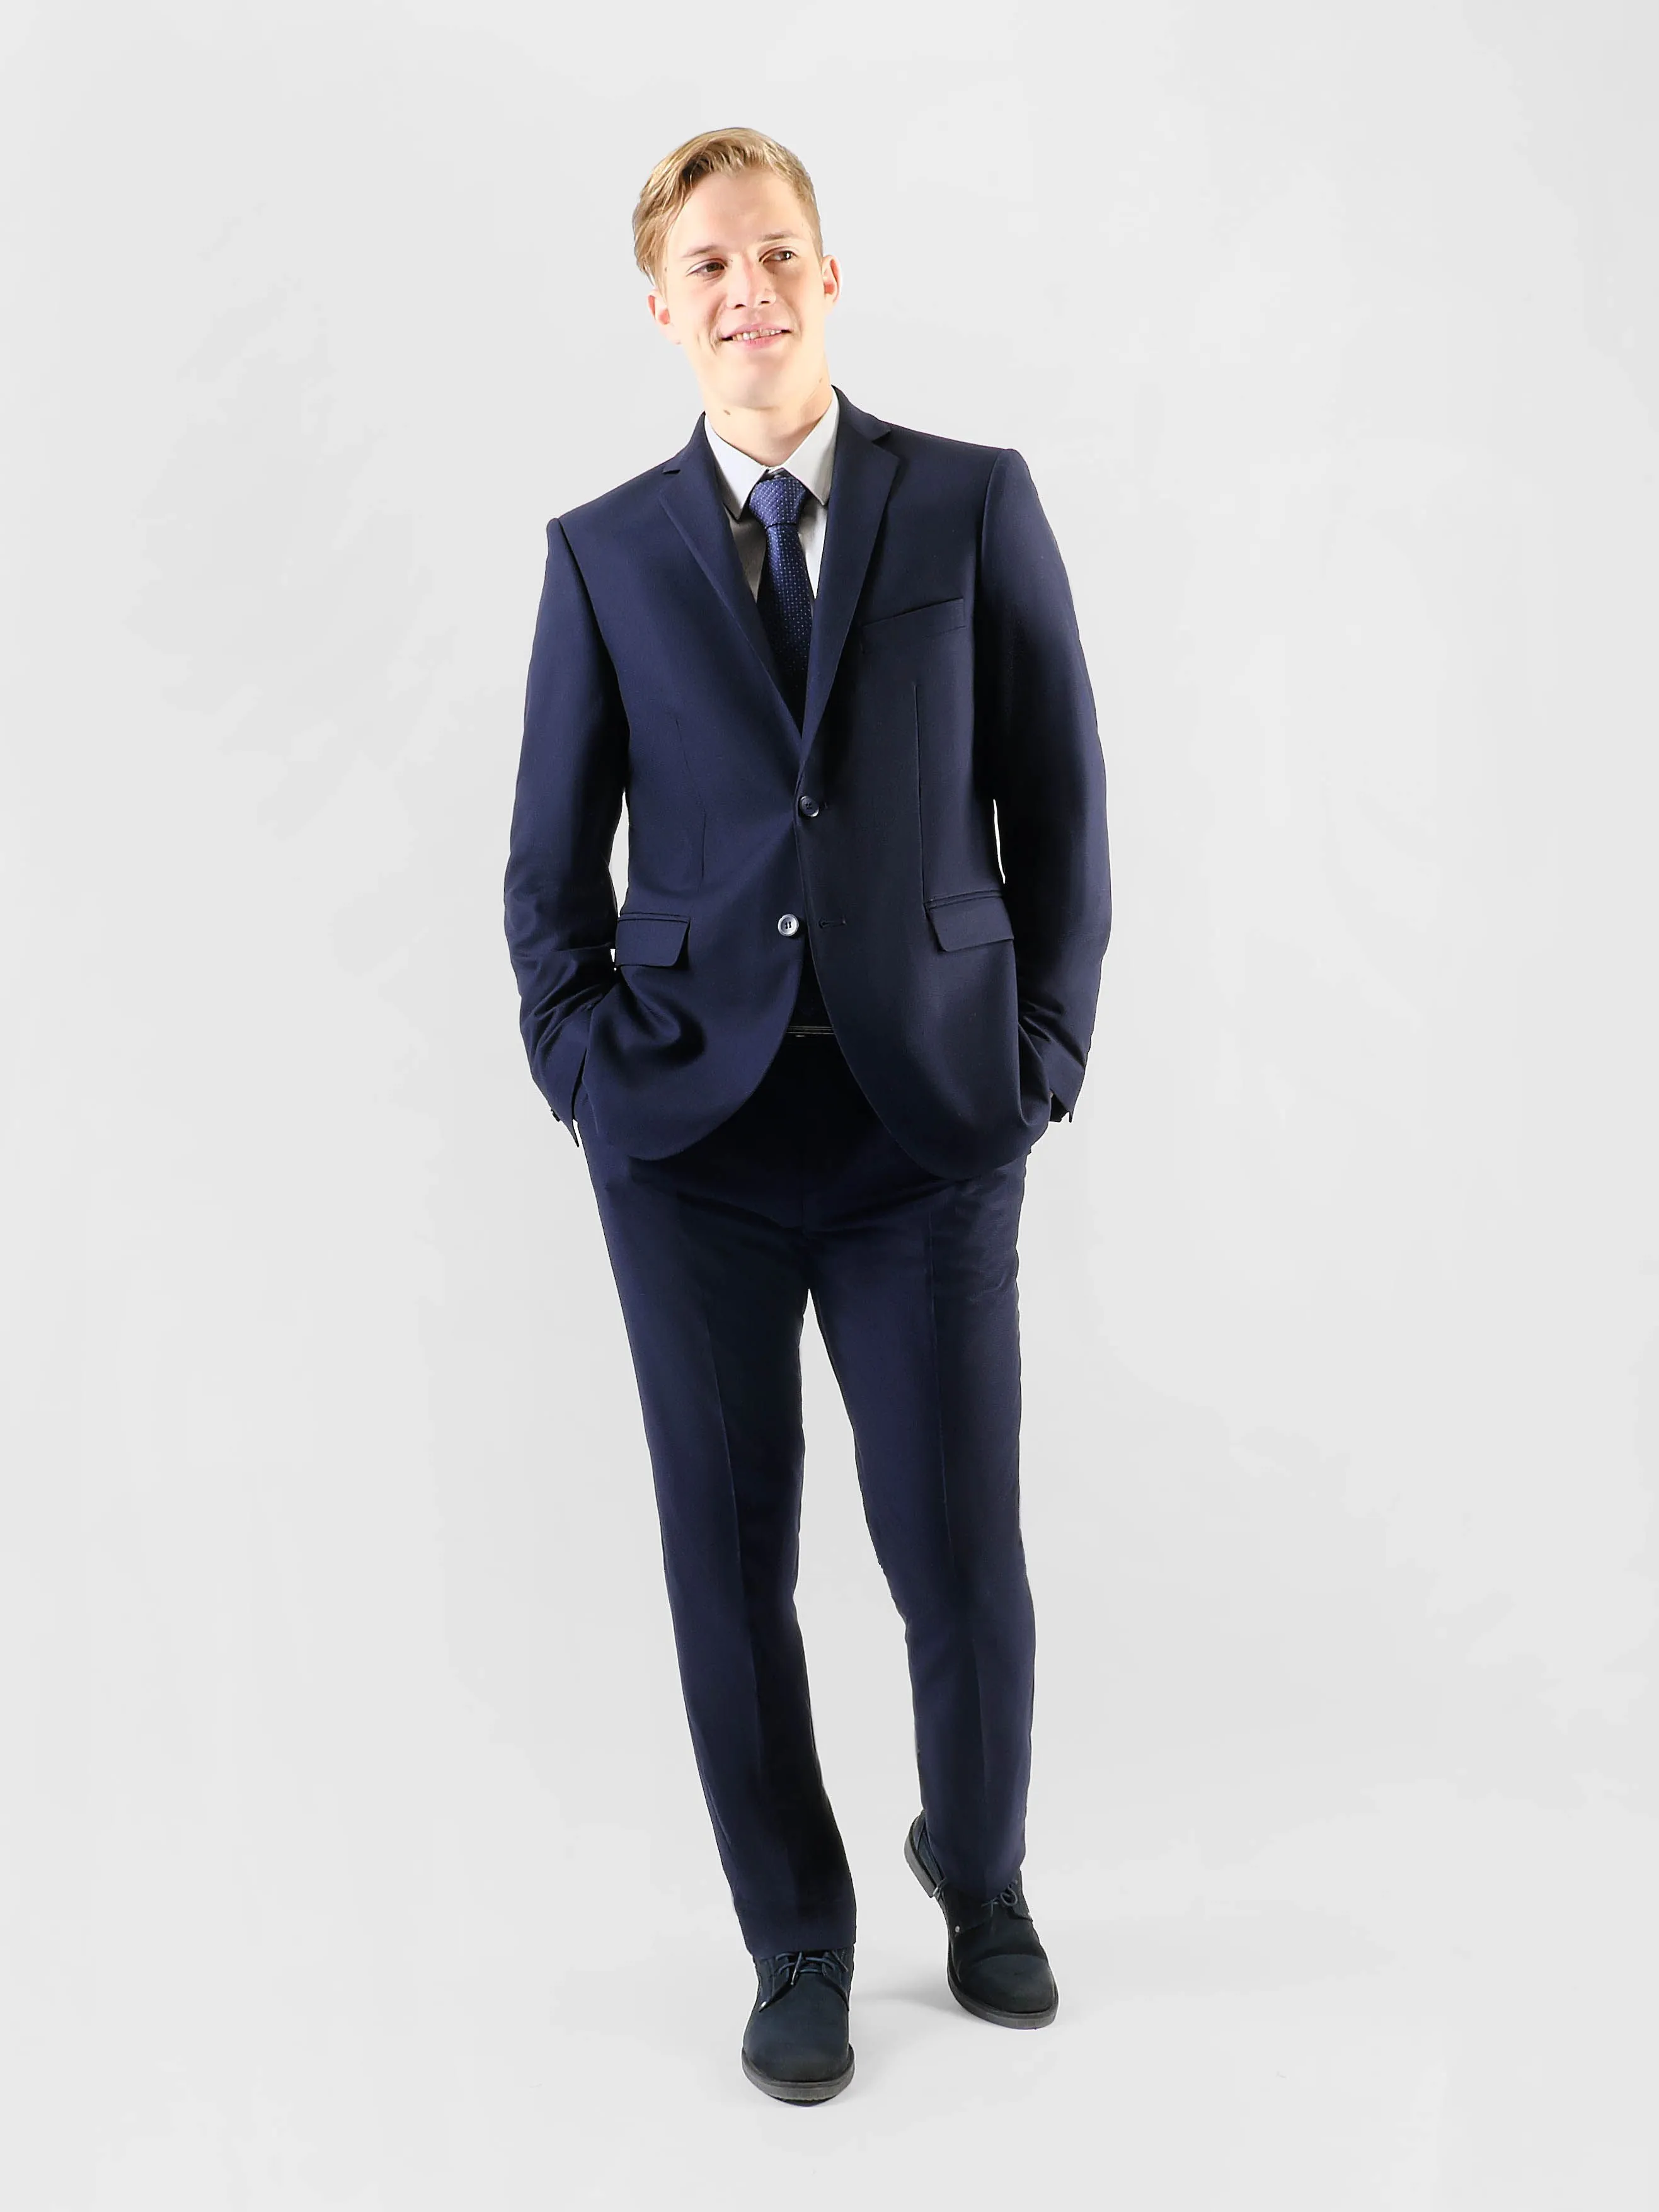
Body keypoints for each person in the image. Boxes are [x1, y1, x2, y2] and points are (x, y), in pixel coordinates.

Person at [502, 125, 1111, 2104]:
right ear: (661, 309)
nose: (746, 291)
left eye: (776, 254)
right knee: (727, 1558)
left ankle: (981, 1868)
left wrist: (1039, 1057)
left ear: (829, 277)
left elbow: (1060, 797)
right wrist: (589, 1074)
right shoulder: (604, 554)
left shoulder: (969, 502)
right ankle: (797, 1933)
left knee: (958, 1553)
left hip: (925, 1125)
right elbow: (548, 867)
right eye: (708, 266)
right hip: (690, 1148)